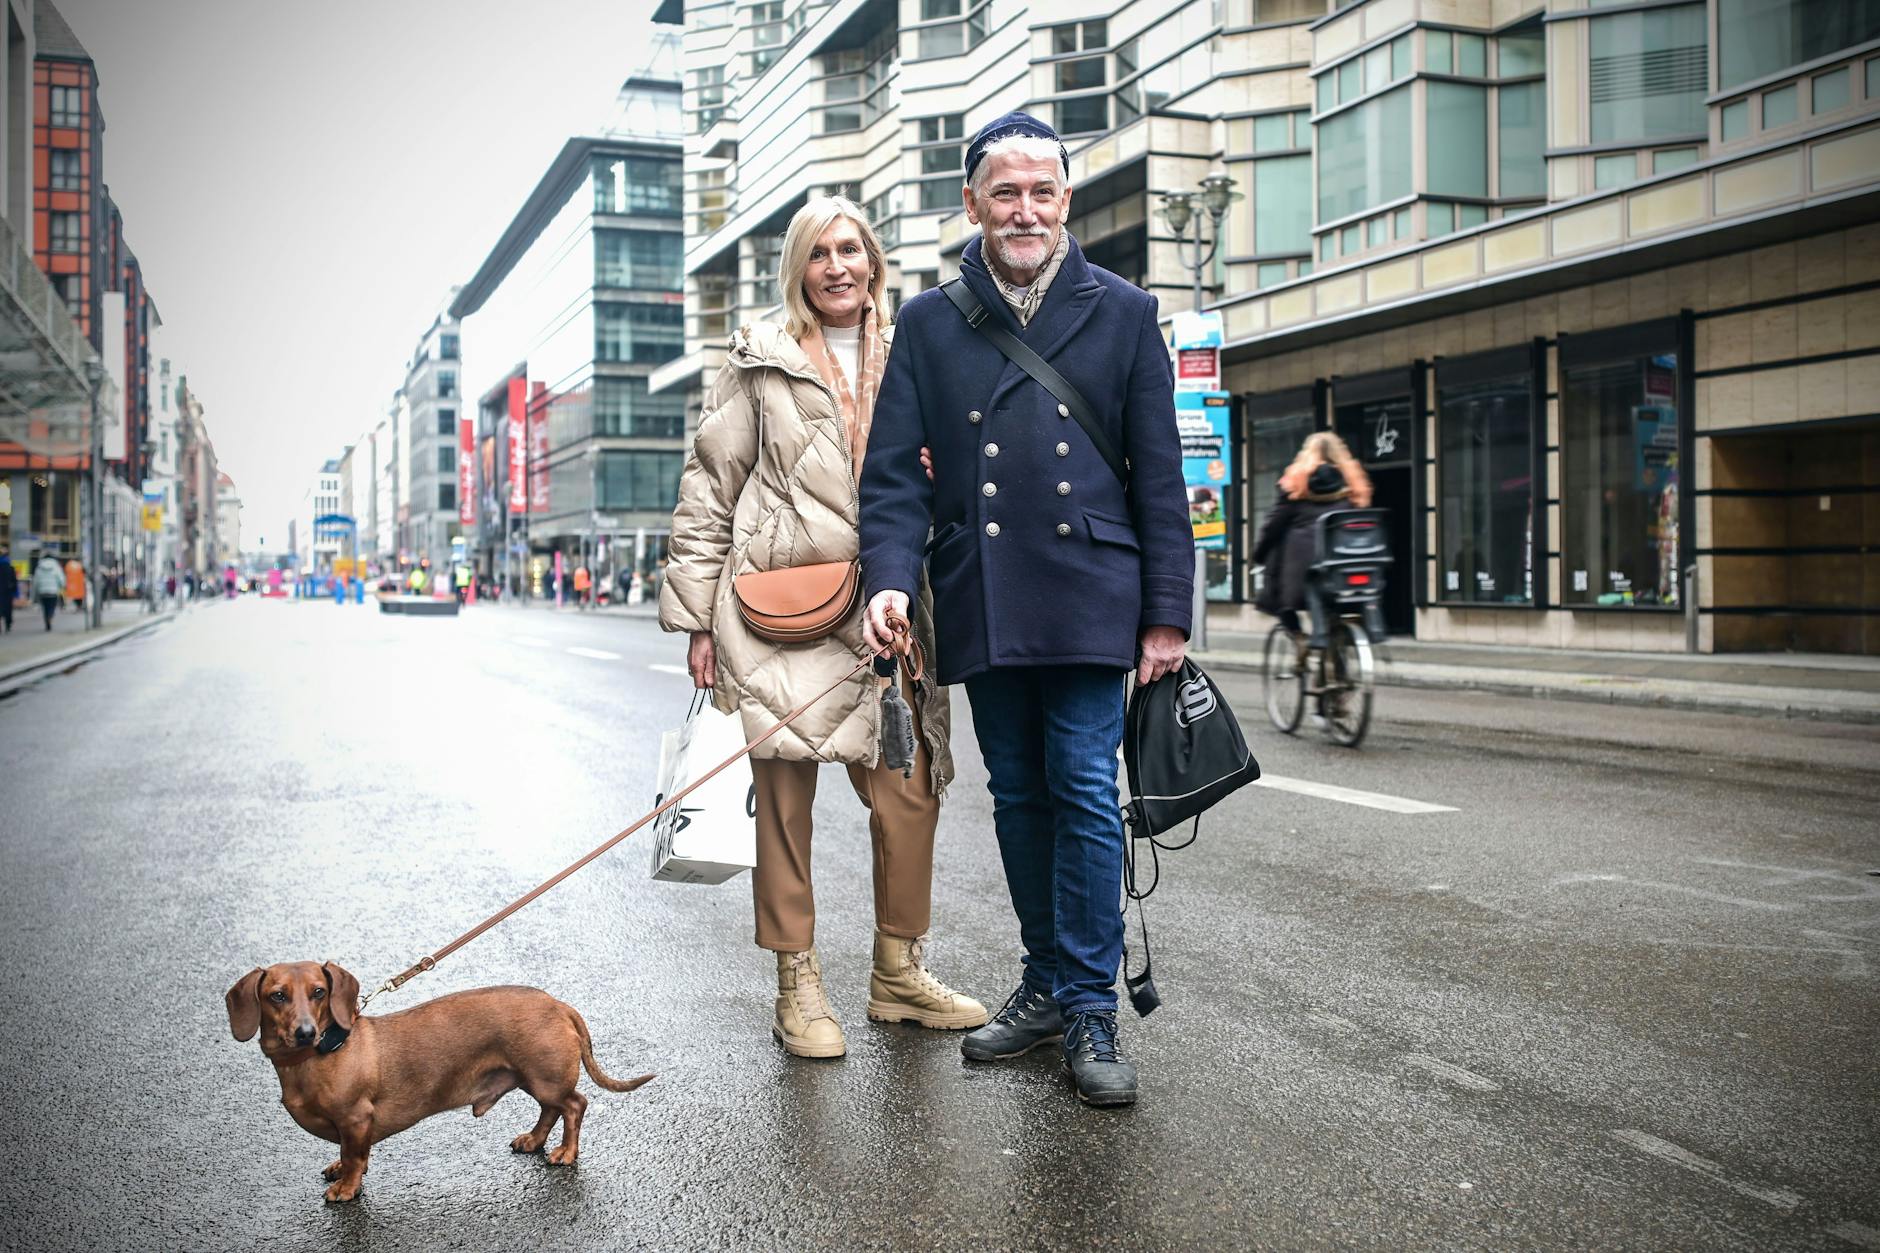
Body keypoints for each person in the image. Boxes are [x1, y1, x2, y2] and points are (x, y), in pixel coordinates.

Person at [857, 113, 1192, 1107]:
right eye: (1004, 192)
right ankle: (1045, 979)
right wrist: (887, 576)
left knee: (1083, 784)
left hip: (1092, 587)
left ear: (1065, 201)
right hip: (985, 587)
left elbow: (1159, 475)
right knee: (1016, 793)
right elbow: (892, 476)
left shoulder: (1124, 310)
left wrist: (1166, 613)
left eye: (1042, 191)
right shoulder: (928, 321)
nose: (1024, 210)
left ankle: (1088, 1002)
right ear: (972, 204)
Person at [661, 194, 986, 1060]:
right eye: (818, 252)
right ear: (797, 269)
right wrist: (695, 620)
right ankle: (796, 982)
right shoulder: (759, 361)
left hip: (891, 603)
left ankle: (898, 972)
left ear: (874, 260)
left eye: (850, 249)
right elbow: (709, 489)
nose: (837, 266)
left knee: (911, 788)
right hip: (781, 606)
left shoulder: (920, 346)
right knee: (782, 805)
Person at [1251, 431, 1373, 649]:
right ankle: (1340, 646)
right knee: (1334, 603)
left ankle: (1297, 635)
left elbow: (1273, 527)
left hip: (1302, 573)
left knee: (1277, 578)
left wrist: (1259, 554)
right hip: (1344, 568)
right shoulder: (1353, 485)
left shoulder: (1296, 485)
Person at [32, 551, 64, 631]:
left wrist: (35, 590)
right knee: (52, 606)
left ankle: (47, 619)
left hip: (42, 591)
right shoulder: (56, 566)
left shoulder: (39, 567)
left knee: (45, 607)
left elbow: (35, 580)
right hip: (53, 591)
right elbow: (61, 578)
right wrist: (62, 586)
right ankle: (50, 617)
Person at [0, 547, 16, 633]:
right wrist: (15, 592)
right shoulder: (10, 567)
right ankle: (8, 624)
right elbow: (14, 581)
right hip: (8, 591)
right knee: (8, 608)